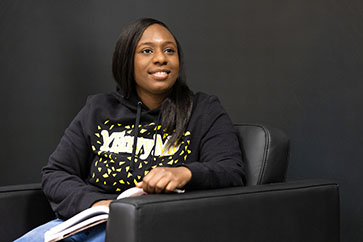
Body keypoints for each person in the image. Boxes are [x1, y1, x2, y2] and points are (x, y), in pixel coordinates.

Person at [14, 17, 245, 242]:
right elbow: (56, 173)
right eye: (147, 51)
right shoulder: (98, 109)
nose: (161, 59)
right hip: (89, 221)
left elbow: (231, 170)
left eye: (169, 51)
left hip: (155, 225)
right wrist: (96, 204)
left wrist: (183, 173)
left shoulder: (203, 110)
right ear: (126, 61)